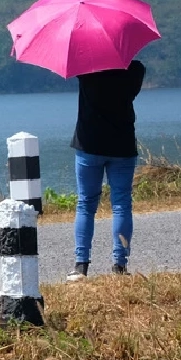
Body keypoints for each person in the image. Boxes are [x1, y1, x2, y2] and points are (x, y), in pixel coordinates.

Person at [66, 59, 145, 281]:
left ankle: (81, 265)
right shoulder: (136, 70)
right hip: (122, 146)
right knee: (121, 204)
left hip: (89, 145)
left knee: (86, 204)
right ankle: (119, 265)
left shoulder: (86, 67)